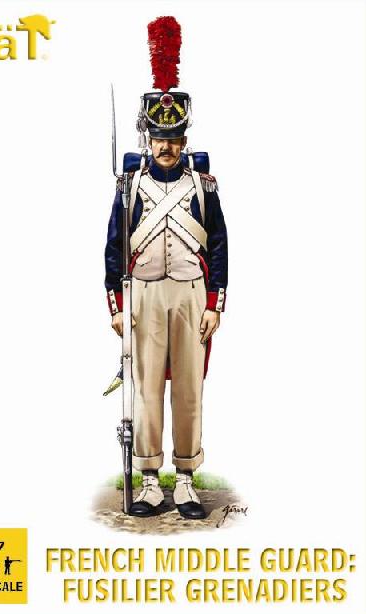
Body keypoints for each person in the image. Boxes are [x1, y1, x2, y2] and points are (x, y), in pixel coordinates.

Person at [104, 17, 228, 519]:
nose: (167, 146)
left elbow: (218, 246)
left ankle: (186, 479)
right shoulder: (130, 187)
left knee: (190, 390)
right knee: (147, 388)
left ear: (184, 137)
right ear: (148, 136)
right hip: (144, 295)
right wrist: (116, 306)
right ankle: (151, 479)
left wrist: (215, 304)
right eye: (160, 136)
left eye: (174, 137)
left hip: (192, 293)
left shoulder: (203, 186)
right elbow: (114, 249)